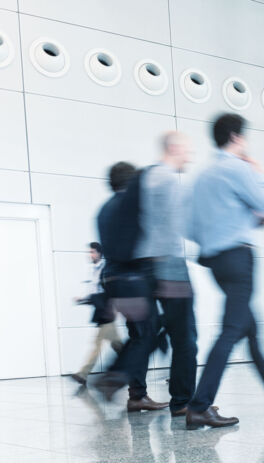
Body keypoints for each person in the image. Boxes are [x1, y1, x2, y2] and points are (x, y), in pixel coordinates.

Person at [186, 113, 264, 430]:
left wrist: (223, 231)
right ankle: (199, 406)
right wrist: (261, 175)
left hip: (215, 261)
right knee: (230, 331)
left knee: (249, 327)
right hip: (239, 259)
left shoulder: (202, 177)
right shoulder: (238, 168)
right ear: (237, 138)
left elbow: (189, 228)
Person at [94, 162, 168, 412]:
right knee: (148, 333)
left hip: (114, 280)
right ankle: (115, 379)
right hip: (131, 279)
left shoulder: (104, 209)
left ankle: (136, 394)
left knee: (140, 334)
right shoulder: (128, 205)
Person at [135, 131, 199, 417]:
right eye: (187, 150)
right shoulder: (169, 180)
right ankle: (183, 401)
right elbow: (178, 226)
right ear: (173, 148)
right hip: (170, 265)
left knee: (149, 331)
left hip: (143, 266)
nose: (190, 155)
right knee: (185, 337)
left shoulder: (145, 178)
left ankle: (134, 387)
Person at [70, 242, 123, 385]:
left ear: (99, 253)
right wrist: (83, 299)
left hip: (107, 312)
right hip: (100, 311)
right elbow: (93, 290)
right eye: (90, 252)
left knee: (97, 344)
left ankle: (83, 374)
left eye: (92, 252)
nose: (90, 255)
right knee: (117, 345)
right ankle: (131, 366)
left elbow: (111, 291)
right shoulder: (93, 270)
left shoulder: (106, 269)